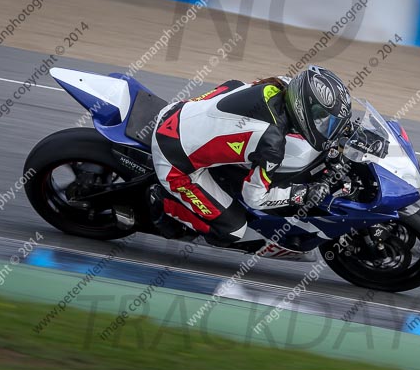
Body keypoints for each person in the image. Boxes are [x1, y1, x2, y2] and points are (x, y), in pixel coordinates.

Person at [149, 65, 352, 249]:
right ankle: (162, 202)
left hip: (179, 111)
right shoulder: (271, 144)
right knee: (232, 230)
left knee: (236, 86)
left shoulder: (285, 86)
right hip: (174, 159)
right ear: (303, 110)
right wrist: (303, 194)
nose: (326, 126)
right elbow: (254, 198)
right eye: (323, 119)